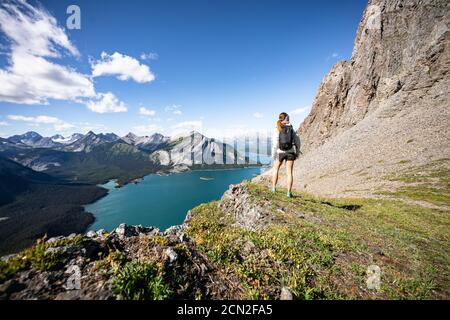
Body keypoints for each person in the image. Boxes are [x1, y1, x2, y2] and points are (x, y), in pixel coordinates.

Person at [271, 112, 301, 198]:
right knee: (289, 173)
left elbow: (275, 144)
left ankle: (273, 188)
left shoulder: (277, 128)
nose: (289, 119)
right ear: (285, 119)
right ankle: (288, 193)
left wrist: (273, 155)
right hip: (290, 152)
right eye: (287, 118)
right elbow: (298, 142)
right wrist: (297, 152)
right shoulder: (291, 129)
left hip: (280, 152)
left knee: (276, 169)